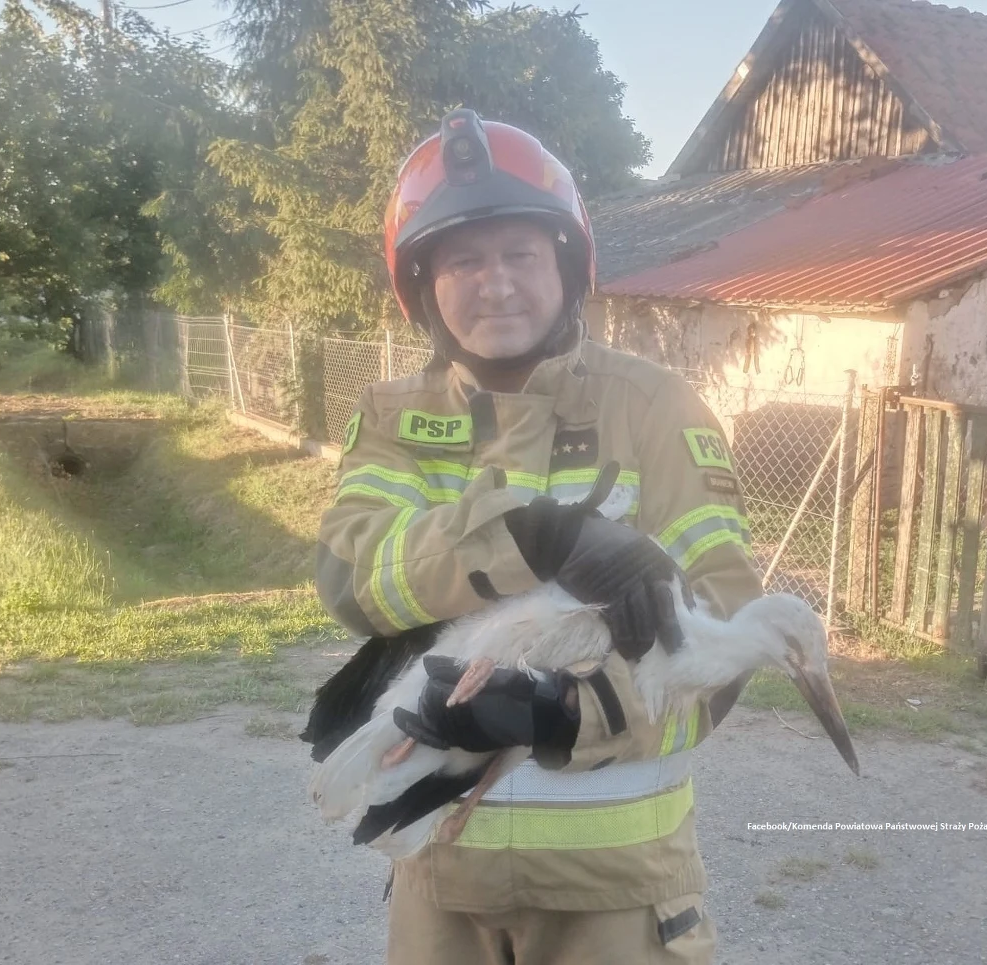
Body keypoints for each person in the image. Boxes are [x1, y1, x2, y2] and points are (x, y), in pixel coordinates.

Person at [315, 108, 763, 965]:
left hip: (616, 892)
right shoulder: (395, 418)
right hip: (442, 882)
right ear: (423, 284)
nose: (496, 283)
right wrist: (535, 538)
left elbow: (728, 640)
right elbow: (353, 577)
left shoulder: (654, 408)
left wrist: (567, 714)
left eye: (521, 253)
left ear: (568, 263)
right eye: (463, 259)